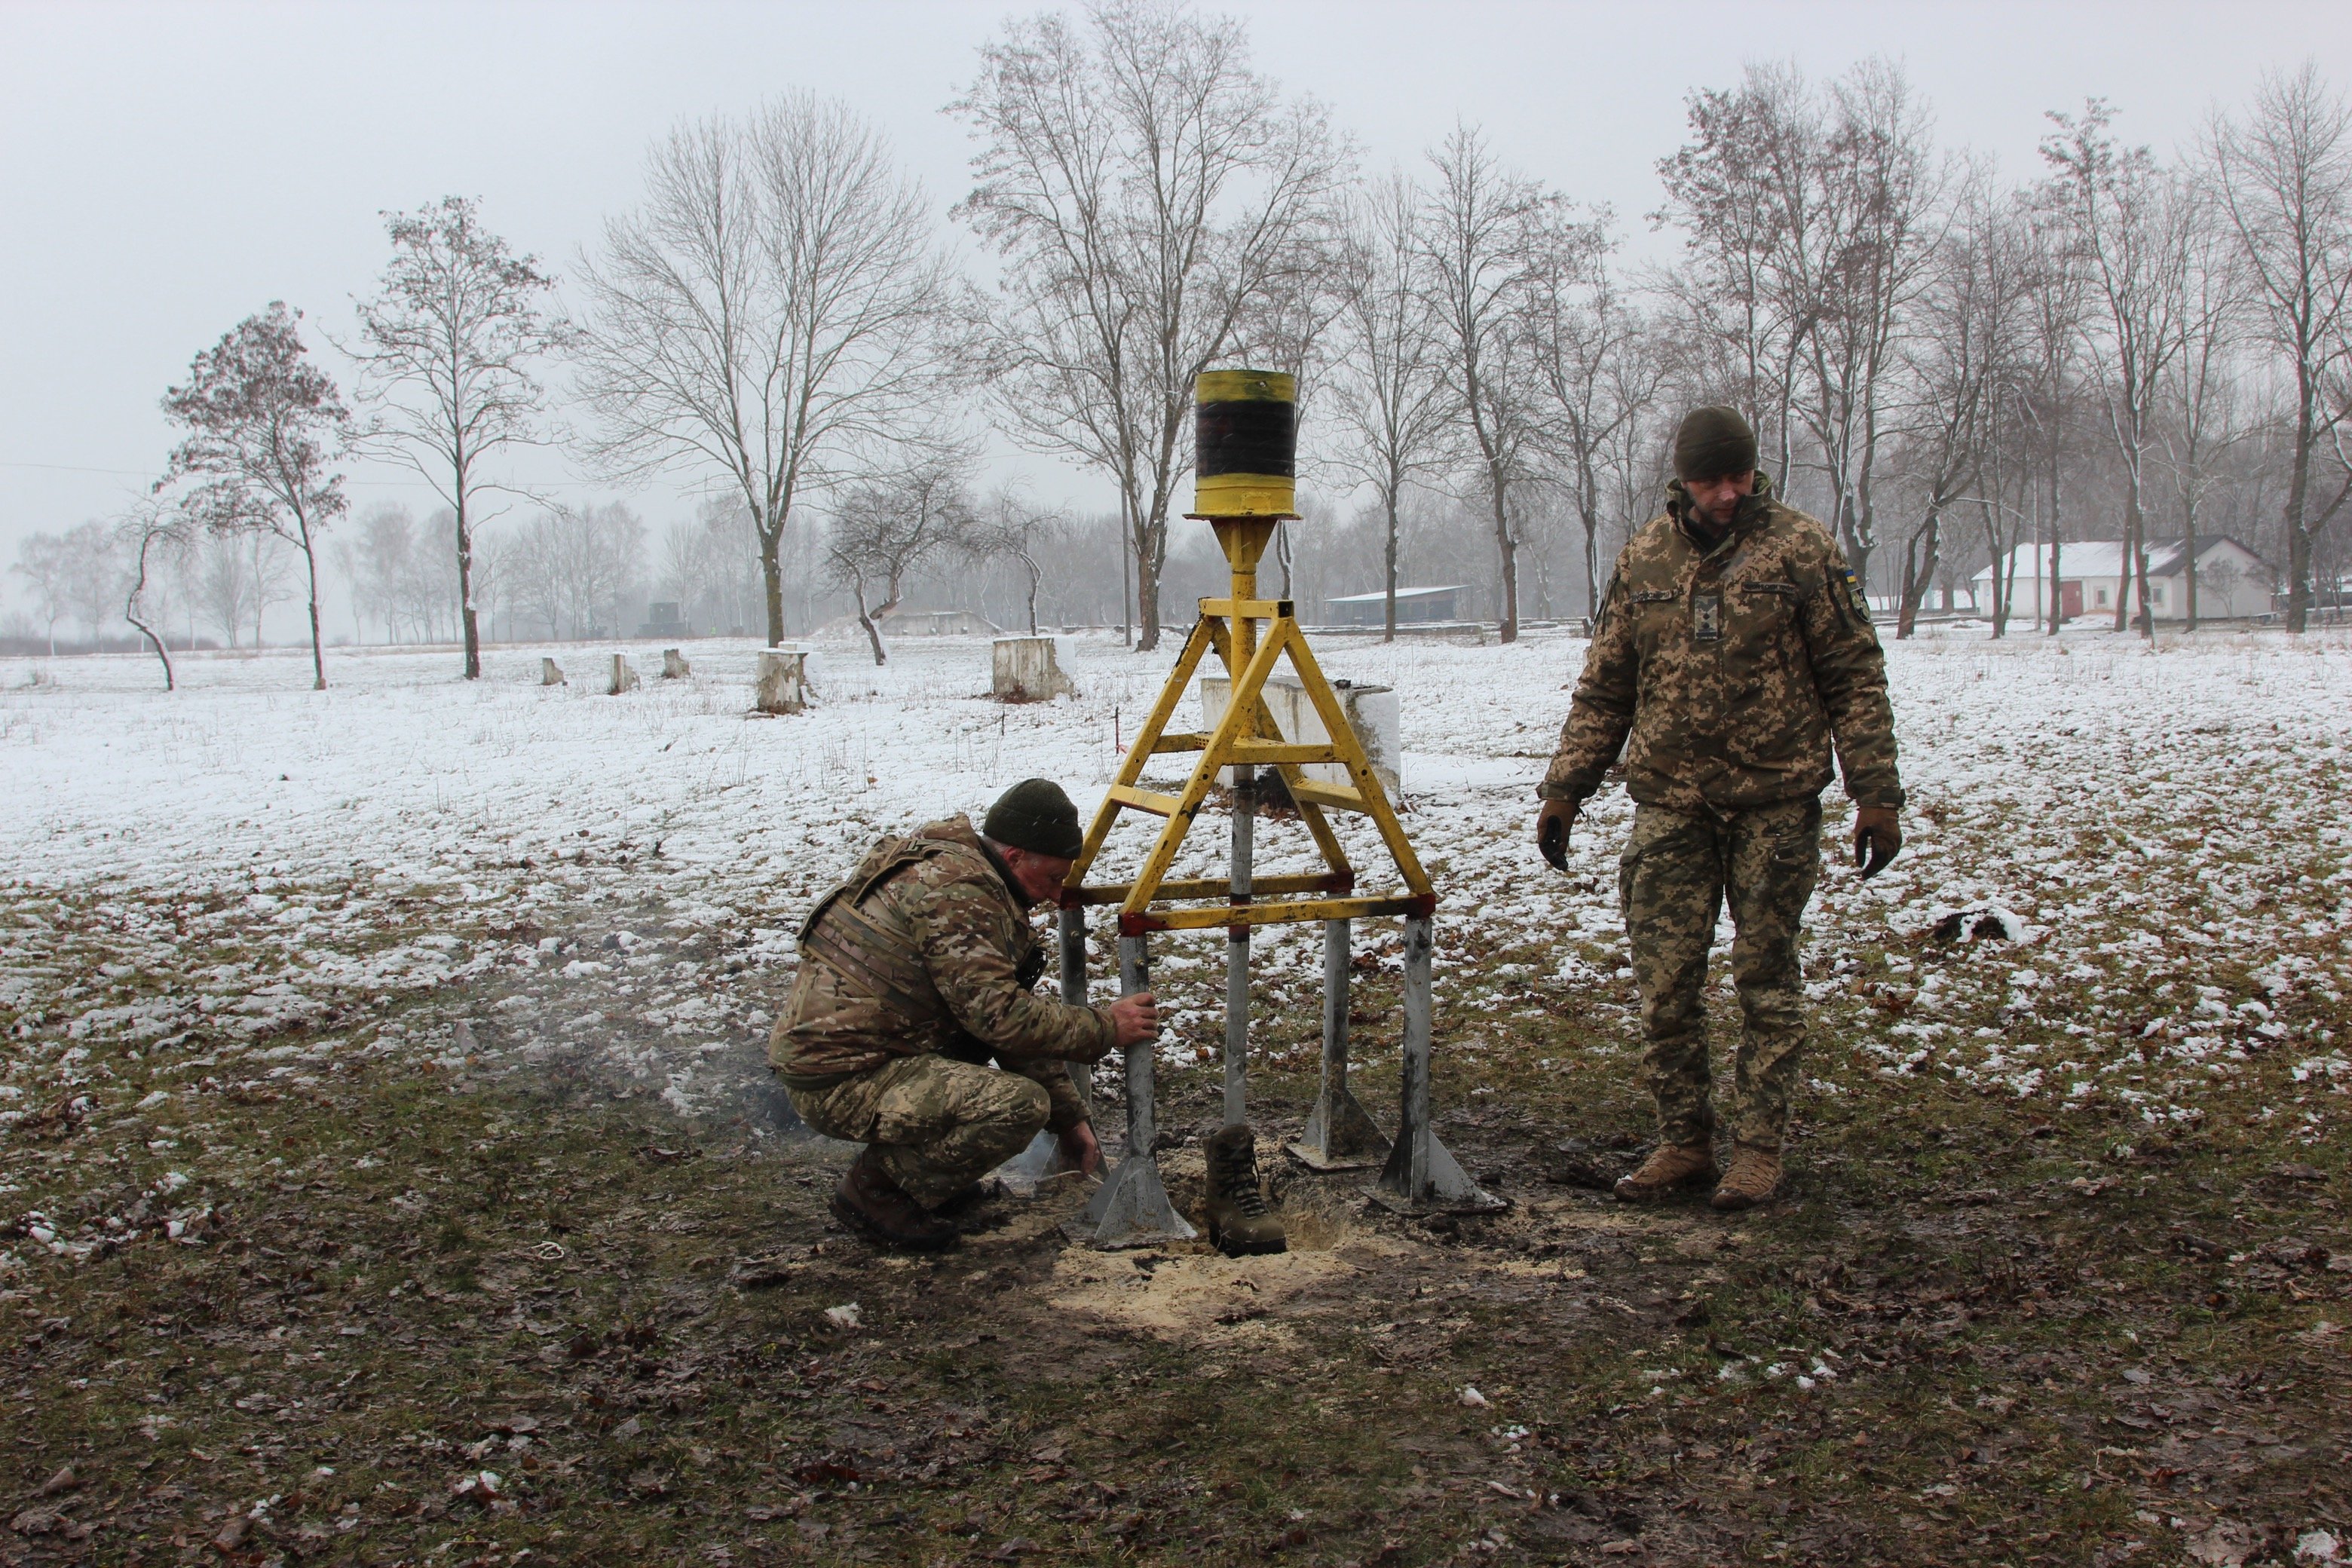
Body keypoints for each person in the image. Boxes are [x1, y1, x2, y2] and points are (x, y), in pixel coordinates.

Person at [1536, 406, 1904, 1211]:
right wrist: (1568, 785)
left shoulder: (1801, 550)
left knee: (1765, 980)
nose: (1729, 493)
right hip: (1670, 804)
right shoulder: (1645, 559)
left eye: (1739, 476)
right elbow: (1607, 685)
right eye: (1713, 479)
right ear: (1684, 478)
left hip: (1773, 802)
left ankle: (1759, 1150)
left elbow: (1854, 675)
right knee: (1665, 984)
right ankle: (1685, 1141)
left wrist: (1874, 793)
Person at [769, 779, 1159, 1248]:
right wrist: (1106, 1027)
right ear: (1015, 857)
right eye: (1053, 878)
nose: (1056, 896)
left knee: (1013, 1092)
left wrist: (1069, 1119)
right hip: (842, 1078)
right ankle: (877, 1190)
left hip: (859, 1058)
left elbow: (999, 1027)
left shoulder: (955, 868)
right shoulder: (959, 892)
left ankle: (923, 1184)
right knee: (1017, 1106)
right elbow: (1001, 1019)